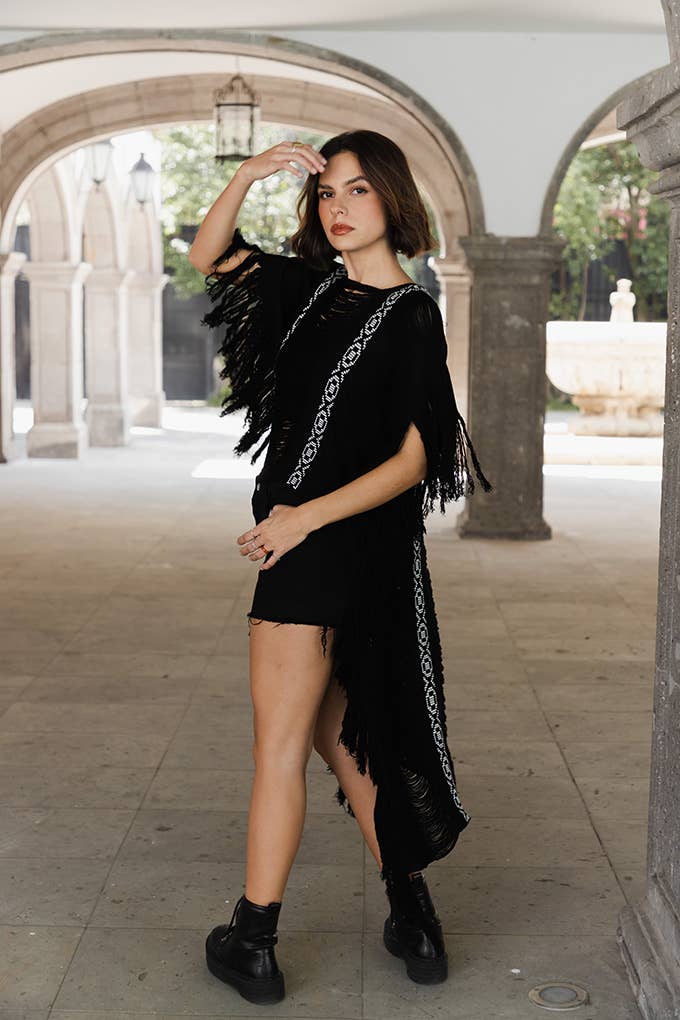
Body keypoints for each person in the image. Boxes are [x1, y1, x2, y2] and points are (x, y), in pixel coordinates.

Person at [188, 130, 492, 1005]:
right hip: (342, 548)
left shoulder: (413, 314)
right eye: (327, 192)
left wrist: (300, 520)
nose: (339, 207)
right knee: (341, 732)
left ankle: (253, 939)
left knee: (280, 749)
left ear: (393, 198)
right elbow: (210, 255)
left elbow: (417, 458)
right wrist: (251, 174)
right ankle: (413, 914)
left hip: (331, 547)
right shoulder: (309, 291)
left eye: (358, 189)